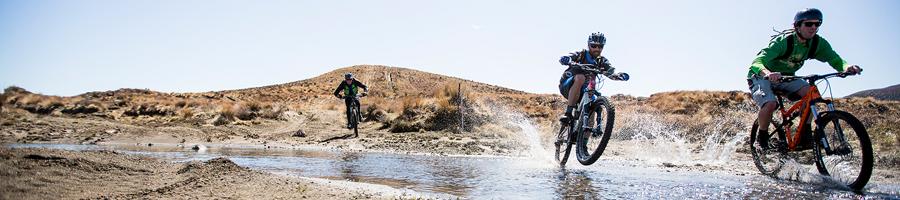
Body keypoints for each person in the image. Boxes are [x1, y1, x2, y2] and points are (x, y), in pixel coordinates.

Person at [747, 8, 862, 149]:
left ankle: (805, 134)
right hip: (761, 76)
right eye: (809, 24)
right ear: (797, 26)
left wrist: (846, 67)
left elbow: (834, 58)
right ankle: (762, 138)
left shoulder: (817, 43)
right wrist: (767, 73)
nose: (813, 27)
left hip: (786, 77)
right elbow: (757, 62)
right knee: (770, 104)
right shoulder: (783, 42)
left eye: (817, 24)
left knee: (812, 94)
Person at [558, 32, 628, 121]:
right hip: (567, 86)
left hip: (585, 91)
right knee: (580, 77)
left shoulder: (601, 61)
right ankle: (568, 113)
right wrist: (567, 59)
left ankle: (585, 132)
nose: (597, 49)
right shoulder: (581, 54)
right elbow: (570, 56)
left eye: (600, 47)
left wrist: (618, 74)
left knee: (593, 104)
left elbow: (611, 70)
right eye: (594, 46)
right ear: (588, 45)